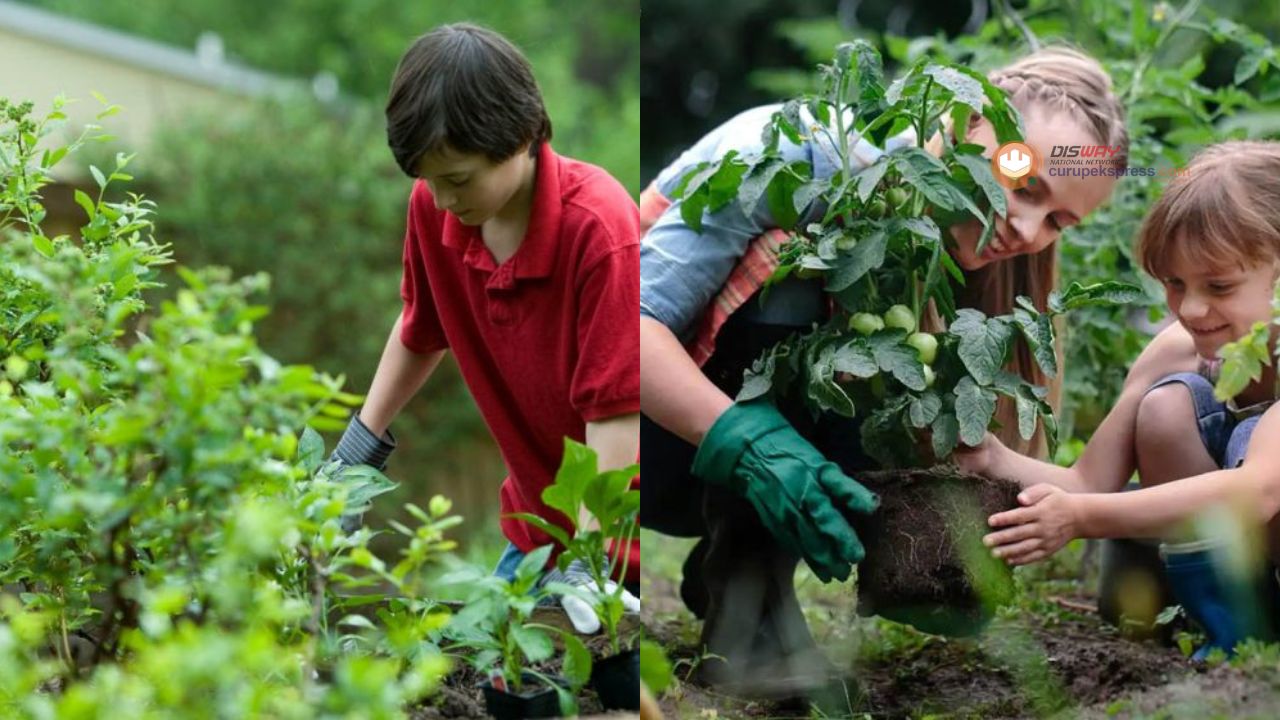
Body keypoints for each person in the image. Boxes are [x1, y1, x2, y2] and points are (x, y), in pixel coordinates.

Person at [640, 46, 1128, 693]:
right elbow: (624, 328)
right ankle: (749, 613)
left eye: (1058, 221)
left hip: (716, 441)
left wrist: (952, 537)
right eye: (1024, 182)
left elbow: (975, 448)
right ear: (965, 119)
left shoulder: (958, 255)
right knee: (802, 265)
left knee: (888, 348)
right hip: (635, 435)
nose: (1027, 227)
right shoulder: (804, 159)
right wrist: (751, 447)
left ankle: (738, 572)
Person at [328, 23, 641, 634]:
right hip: (536, 531)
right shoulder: (434, 210)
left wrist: (589, 562)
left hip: (620, 547)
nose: (443, 201)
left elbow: (616, 412)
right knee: (487, 681)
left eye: (458, 179)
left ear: (521, 137)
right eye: (428, 179)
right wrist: (351, 459)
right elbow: (421, 328)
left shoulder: (600, 231)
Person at [969, 141, 1280, 659]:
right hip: (1246, 572)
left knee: (1257, 435)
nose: (1192, 308)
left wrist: (1081, 518)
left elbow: (1259, 491)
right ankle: (1230, 633)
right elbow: (1088, 483)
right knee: (1164, 408)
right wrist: (986, 456)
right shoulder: (1179, 350)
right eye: (1175, 283)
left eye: (1220, 285)